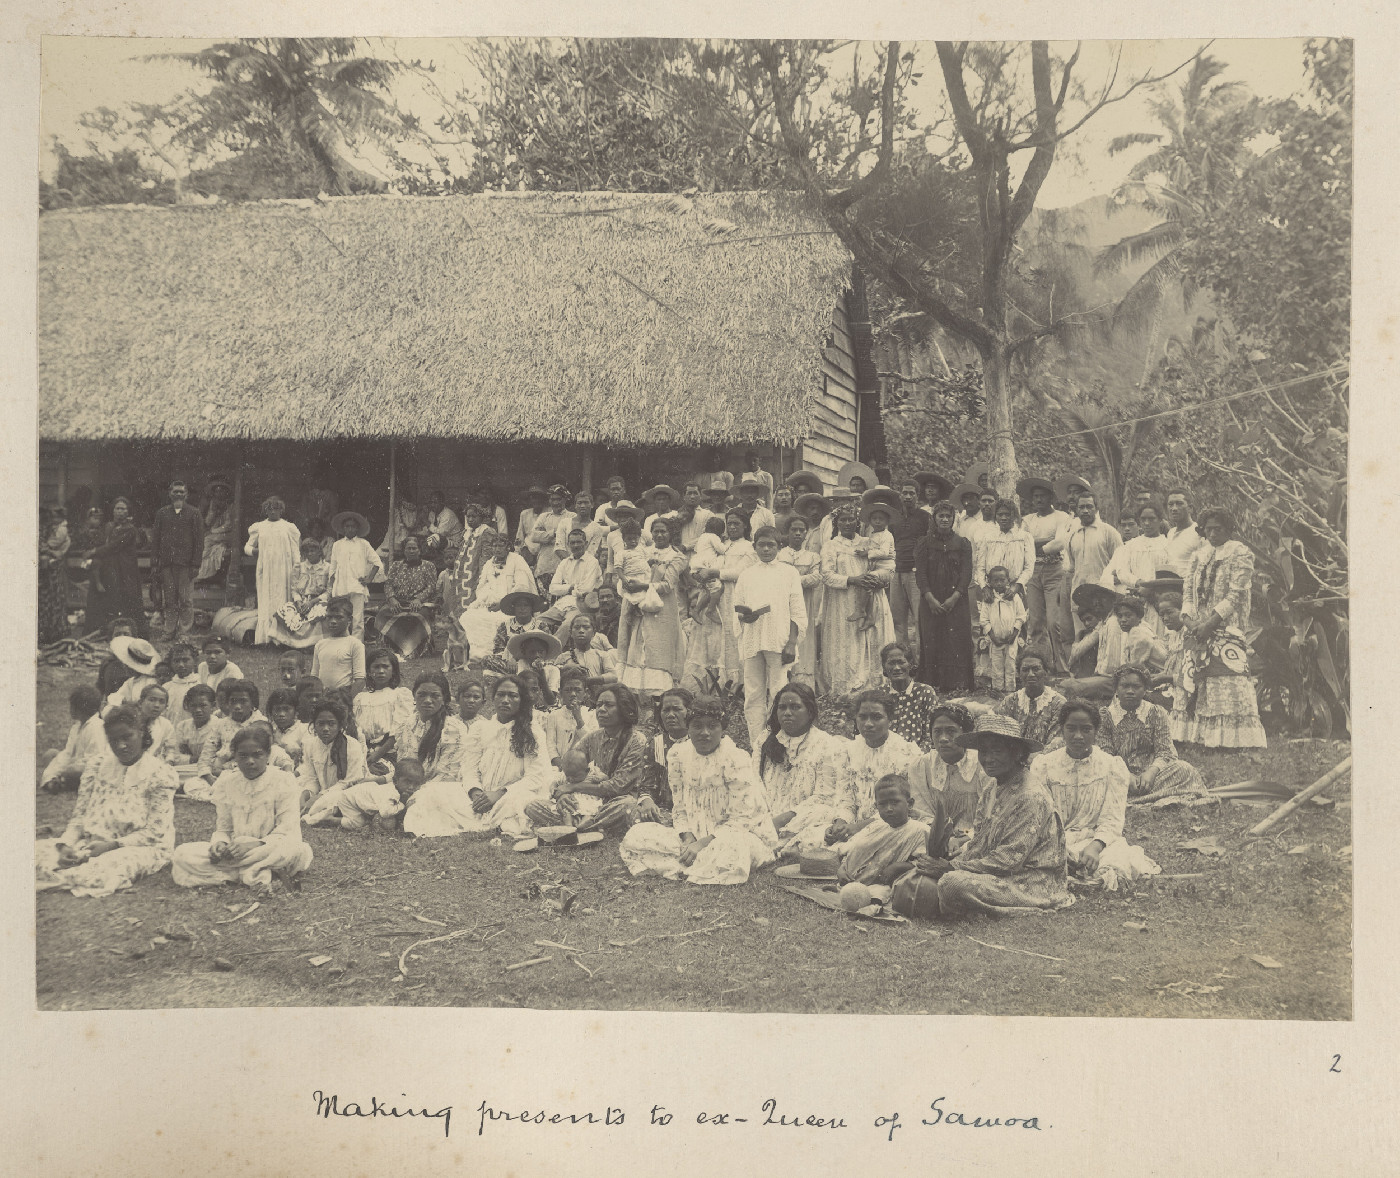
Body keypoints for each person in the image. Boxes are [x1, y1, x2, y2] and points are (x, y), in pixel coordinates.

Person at [896, 713, 1070, 918]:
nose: (988, 759)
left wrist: (951, 868)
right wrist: (951, 861)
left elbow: (1007, 860)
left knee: (952, 884)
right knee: (924, 873)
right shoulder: (992, 787)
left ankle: (970, 909)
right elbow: (978, 841)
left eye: (997, 751)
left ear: (1017, 754)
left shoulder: (1030, 796)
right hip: (998, 875)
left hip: (1031, 882)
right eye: (983, 752)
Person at [618, 695, 778, 885]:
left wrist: (702, 844)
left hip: (737, 835)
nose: (704, 732)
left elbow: (741, 819)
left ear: (722, 728)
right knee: (638, 834)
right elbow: (680, 808)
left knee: (733, 848)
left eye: (712, 726)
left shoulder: (736, 758)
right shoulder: (678, 755)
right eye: (697, 726)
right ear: (688, 727)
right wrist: (687, 838)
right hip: (695, 835)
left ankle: (690, 863)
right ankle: (697, 861)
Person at [36, 705, 178, 897]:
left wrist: (112, 845)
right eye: (113, 740)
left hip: (139, 846)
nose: (121, 746)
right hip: (90, 842)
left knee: (104, 872)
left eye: (127, 737)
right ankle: (64, 866)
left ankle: (61, 873)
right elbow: (79, 818)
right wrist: (65, 845)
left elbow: (154, 833)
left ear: (142, 733)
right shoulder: (97, 766)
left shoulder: (160, 774)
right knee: (33, 853)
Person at [1029, 700, 1160, 888]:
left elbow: (1112, 819)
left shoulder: (1111, 766)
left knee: (1115, 861)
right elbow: (1040, 816)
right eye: (1071, 729)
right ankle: (1070, 874)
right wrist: (1058, 845)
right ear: (1062, 729)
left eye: (1086, 730)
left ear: (1096, 731)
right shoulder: (1044, 766)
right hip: (1053, 839)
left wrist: (1095, 847)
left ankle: (1078, 877)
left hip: (1096, 840)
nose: (1078, 736)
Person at [171, 725, 313, 893]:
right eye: (243, 756)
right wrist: (219, 844)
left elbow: (287, 831)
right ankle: (256, 872)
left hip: (270, 847)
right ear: (234, 757)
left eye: (257, 755)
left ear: (268, 755)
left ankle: (239, 872)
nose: (250, 761)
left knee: (297, 851)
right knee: (182, 854)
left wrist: (252, 845)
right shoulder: (227, 783)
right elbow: (224, 829)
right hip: (236, 852)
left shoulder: (284, 781)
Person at [1172, 508, 1268, 749]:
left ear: (1228, 529)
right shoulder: (1198, 555)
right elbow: (1188, 592)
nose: (1213, 533)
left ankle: (1229, 739)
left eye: (1218, 529)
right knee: (1195, 679)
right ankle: (1197, 735)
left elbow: (1236, 593)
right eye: (1208, 529)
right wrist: (1189, 620)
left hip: (1226, 627)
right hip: (1196, 628)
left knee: (1224, 679)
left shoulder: (1240, 553)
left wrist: (1210, 624)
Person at [411, 675, 552, 838]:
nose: (505, 700)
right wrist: (475, 792)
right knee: (432, 791)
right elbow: (469, 768)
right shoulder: (481, 728)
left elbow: (535, 777)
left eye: (513, 695)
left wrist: (498, 794)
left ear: (522, 700)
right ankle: (492, 820)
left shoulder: (533, 732)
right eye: (501, 694)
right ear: (493, 698)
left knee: (523, 804)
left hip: (511, 794)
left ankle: (513, 818)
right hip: (480, 796)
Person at [526, 684, 652, 835]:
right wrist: (563, 794)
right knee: (532, 806)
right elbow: (568, 767)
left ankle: (575, 826)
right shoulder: (592, 737)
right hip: (583, 800)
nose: (601, 709)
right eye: (599, 705)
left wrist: (573, 787)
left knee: (627, 805)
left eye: (609, 705)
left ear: (624, 709)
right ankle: (584, 826)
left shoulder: (637, 740)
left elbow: (617, 787)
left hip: (613, 802)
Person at [755, 680, 852, 855]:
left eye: (795, 707)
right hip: (766, 814)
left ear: (809, 712)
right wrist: (765, 818)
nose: (787, 713)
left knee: (819, 825)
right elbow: (754, 784)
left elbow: (824, 797)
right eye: (782, 707)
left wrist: (782, 820)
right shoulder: (764, 741)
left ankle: (779, 842)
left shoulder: (827, 745)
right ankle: (775, 842)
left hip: (803, 817)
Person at [733, 525, 806, 750]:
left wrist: (792, 643)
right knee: (753, 692)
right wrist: (746, 617)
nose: (766, 549)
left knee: (779, 690)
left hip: (779, 640)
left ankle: (780, 738)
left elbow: (797, 609)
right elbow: (737, 609)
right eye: (761, 545)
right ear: (754, 547)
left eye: (770, 545)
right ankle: (758, 742)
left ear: (779, 547)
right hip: (753, 639)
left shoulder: (789, 573)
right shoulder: (746, 575)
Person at [825, 690, 919, 842]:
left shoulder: (906, 754)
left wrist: (858, 828)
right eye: (862, 717)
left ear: (891, 720)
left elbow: (902, 808)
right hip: (854, 825)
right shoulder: (848, 751)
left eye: (876, 717)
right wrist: (841, 823)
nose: (868, 724)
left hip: (891, 825)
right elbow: (846, 796)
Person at [1100, 663, 1206, 798]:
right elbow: (1105, 754)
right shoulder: (1105, 716)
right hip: (1118, 774)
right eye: (1125, 686)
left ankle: (1139, 794)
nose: (1130, 691)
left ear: (1145, 690)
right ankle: (1148, 795)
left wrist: (1151, 773)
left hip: (1152, 776)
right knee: (1097, 774)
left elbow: (1165, 751)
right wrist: (1125, 775)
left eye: (1136, 687)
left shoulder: (1156, 713)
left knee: (1185, 769)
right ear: (1116, 689)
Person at [819, 503, 892, 696]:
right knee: (847, 640)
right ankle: (847, 687)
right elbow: (826, 575)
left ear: (857, 521)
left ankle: (874, 684)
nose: (847, 523)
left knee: (871, 636)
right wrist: (852, 580)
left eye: (851, 519)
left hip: (872, 596)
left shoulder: (869, 542)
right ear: (836, 522)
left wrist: (877, 579)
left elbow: (888, 567)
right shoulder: (831, 545)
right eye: (843, 519)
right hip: (843, 601)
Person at [391, 672, 476, 836]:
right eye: (422, 695)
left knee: (425, 799)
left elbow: (448, 774)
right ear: (414, 696)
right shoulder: (406, 725)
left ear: (444, 699)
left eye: (435, 696)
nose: (428, 700)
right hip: (409, 784)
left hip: (440, 786)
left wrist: (415, 790)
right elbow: (403, 765)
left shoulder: (453, 729)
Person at [618, 518, 688, 703]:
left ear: (671, 534)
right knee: (638, 651)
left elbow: (667, 585)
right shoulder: (643, 552)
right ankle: (639, 707)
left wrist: (641, 586)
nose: (659, 535)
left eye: (663, 531)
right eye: (655, 531)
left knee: (658, 652)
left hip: (662, 611)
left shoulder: (677, 557)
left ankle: (660, 707)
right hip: (640, 608)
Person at [913, 501, 975, 693]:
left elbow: (966, 574)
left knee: (955, 638)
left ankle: (956, 683)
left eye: (948, 516)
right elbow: (920, 574)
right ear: (934, 518)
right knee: (932, 637)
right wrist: (930, 598)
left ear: (953, 519)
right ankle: (932, 682)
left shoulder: (963, 543)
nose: (945, 519)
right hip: (931, 600)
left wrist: (954, 598)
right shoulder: (924, 543)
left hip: (956, 600)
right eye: (941, 516)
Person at [835, 774, 931, 890]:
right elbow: (851, 850)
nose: (889, 809)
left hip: (888, 886)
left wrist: (899, 867)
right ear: (876, 806)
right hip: (852, 883)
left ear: (909, 804)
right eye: (883, 804)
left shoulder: (920, 831)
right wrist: (842, 869)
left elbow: (926, 864)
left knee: (881, 893)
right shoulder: (876, 826)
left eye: (895, 802)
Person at [1019, 477, 1073, 674]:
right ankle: (1038, 664)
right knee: (1034, 622)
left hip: (1055, 571)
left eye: (1043, 496)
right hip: (1033, 572)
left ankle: (1062, 666)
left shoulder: (1062, 517)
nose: (1039, 500)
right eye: (1036, 497)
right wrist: (1041, 545)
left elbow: (1059, 543)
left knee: (1054, 621)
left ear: (1051, 497)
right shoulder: (1028, 520)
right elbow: (1021, 544)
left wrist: (1034, 545)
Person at [906, 702, 989, 832]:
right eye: (937, 732)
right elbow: (921, 812)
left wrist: (964, 838)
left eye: (951, 731)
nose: (943, 738)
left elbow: (987, 815)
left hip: (973, 836)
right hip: (931, 834)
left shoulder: (981, 765)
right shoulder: (920, 767)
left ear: (965, 734)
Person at [460, 531, 536, 655]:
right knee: (468, 617)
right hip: (490, 604)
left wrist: (502, 604)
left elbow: (522, 586)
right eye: (494, 546)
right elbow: (481, 587)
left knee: (500, 620)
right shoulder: (489, 564)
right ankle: (474, 653)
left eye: (501, 546)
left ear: (508, 547)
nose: (497, 549)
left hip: (512, 606)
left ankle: (494, 652)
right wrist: (486, 600)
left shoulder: (517, 560)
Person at [306, 756, 424, 832]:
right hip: (350, 799)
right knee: (358, 823)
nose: (411, 787)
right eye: (407, 782)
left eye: (416, 784)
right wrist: (402, 805)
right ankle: (329, 819)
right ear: (396, 780)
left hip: (356, 797)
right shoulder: (391, 793)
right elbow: (385, 812)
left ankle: (334, 812)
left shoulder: (396, 791)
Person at [150, 480, 204, 642]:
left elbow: (199, 540)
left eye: (181, 492)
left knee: (185, 599)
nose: (178, 494)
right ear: (170, 494)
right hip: (167, 564)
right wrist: (155, 562)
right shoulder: (162, 513)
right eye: (175, 492)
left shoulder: (194, 513)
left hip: (186, 564)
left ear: (186, 494)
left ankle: (184, 631)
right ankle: (169, 630)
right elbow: (156, 539)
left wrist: (196, 564)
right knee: (170, 598)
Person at [85, 498, 146, 639]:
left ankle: (132, 631)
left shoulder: (130, 529)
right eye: (117, 508)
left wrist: (94, 551)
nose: (120, 512)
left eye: (123, 509)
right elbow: (103, 542)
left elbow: (114, 546)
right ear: (113, 511)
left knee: (128, 597)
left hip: (126, 569)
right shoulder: (109, 526)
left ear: (128, 511)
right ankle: (109, 630)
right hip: (110, 568)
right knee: (110, 598)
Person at [1062, 491, 1123, 632]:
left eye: (1089, 506)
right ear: (1076, 510)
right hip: (1078, 597)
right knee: (1082, 638)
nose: (1085, 510)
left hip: (1102, 598)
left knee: (1104, 636)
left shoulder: (1109, 532)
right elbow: (1072, 568)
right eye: (1081, 507)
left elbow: (1122, 566)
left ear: (1096, 508)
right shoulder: (1071, 536)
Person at [244, 496, 301, 646]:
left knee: (283, 599)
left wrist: (297, 568)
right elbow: (247, 547)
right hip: (266, 569)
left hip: (284, 570)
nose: (273, 512)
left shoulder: (289, 527)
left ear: (281, 510)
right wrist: (255, 551)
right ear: (265, 511)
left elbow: (296, 551)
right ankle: (266, 638)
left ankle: (282, 639)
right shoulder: (259, 527)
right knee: (266, 600)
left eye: (276, 509)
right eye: (270, 509)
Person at [297, 699, 370, 811]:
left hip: (345, 791)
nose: (326, 729)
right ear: (314, 725)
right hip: (322, 793)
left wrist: (320, 797)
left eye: (331, 724)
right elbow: (311, 778)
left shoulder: (352, 745)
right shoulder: (310, 745)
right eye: (321, 724)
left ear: (340, 725)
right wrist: (305, 796)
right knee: (295, 793)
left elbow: (349, 782)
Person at [886, 481, 931, 663]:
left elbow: (930, 544)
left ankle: (922, 663)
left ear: (918, 496)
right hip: (896, 572)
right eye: (905, 493)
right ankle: (903, 661)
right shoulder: (893, 518)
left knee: (920, 620)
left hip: (915, 573)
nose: (908, 497)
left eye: (912, 493)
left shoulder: (925, 517)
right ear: (900, 495)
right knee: (898, 620)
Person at [375, 535, 439, 660]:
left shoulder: (429, 566)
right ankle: (390, 647)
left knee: (420, 616)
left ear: (419, 550)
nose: (411, 551)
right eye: (408, 548)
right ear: (404, 550)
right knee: (382, 614)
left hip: (418, 604)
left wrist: (419, 599)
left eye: (414, 548)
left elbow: (431, 587)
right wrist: (392, 599)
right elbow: (388, 584)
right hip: (398, 602)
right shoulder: (396, 566)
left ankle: (417, 649)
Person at [779, 517, 823, 687]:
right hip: (782, 602)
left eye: (801, 530)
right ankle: (783, 680)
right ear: (787, 532)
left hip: (804, 603)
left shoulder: (812, 556)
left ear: (806, 534)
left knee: (804, 635)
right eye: (793, 530)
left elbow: (816, 578)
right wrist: (799, 579)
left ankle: (803, 682)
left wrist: (792, 579)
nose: (797, 533)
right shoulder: (780, 554)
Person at [352, 647, 414, 765]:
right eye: (376, 667)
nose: (381, 671)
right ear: (369, 672)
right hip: (363, 751)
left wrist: (377, 754)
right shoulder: (360, 698)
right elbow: (355, 728)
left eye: (385, 666)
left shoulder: (399, 695)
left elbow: (399, 730)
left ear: (394, 671)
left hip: (389, 751)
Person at [994, 647, 1067, 747]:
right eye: (1025, 670)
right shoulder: (1010, 701)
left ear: (1046, 672)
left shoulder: (1058, 703)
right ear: (1019, 674)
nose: (1031, 674)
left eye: (1036, 669)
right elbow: (1001, 735)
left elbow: (1056, 742)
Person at [327, 511, 382, 640]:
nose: (350, 529)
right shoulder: (337, 545)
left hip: (357, 586)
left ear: (357, 528)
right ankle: (342, 642)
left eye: (353, 526)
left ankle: (357, 644)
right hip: (341, 586)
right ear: (343, 528)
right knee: (341, 615)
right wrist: (330, 587)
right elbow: (333, 568)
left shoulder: (363, 544)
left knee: (357, 618)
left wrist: (368, 579)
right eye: (347, 526)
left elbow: (377, 562)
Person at [41, 685, 106, 792]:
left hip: (90, 768)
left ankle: (62, 783)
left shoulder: (96, 727)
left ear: (81, 709)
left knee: (73, 771)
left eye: (72, 707)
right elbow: (68, 753)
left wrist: (68, 768)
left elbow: (95, 759)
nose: (70, 710)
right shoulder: (77, 726)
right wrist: (51, 774)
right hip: (75, 762)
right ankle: (58, 781)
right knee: (50, 754)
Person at [271, 535, 333, 648]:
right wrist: (299, 602)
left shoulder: (327, 567)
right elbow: (294, 589)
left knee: (319, 614)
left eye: (313, 550)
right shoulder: (299, 567)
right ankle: (289, 643)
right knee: (285, 611)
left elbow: (329, 591)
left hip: (318, 600)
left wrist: (312, 602)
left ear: (319, 552)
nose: (310, 554)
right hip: (302, 600)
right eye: (307, 551)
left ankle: (313, 644)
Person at [442, 502, 499, 618]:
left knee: (472, 604)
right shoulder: (467, 533)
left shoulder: (486, 532)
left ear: (481, 517)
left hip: (475, 574)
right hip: (462, 575)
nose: (470, 519)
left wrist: (481, 579)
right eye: (468, 516)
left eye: (474, 516)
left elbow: (486, 558)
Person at [848, 498, 896, 634]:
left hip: (886, 569)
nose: (877, 521)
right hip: (878, 568)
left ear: (887, 521)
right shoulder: (873, 534)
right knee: (868, 587)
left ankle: (861, 610)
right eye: (874, 518)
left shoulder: (887, 535)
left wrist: (867, 553)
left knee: (868, 579)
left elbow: (884, 552)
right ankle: (870, 616)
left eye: (881, 519)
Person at [974, 498, 1035, 603]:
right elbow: (980, 567)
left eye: (1007, 514)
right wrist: (984, 587)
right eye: (1000, 514)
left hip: (1015, 590)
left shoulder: (1024, 537)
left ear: (1014, 515)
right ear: (995, 516)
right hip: (992, 592)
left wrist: (1017, 586)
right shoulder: (988, 538)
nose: (1003, 518)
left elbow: (1029, 567)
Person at [880, 641, 938, 750]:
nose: (896, 668)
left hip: (916, 755)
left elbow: (930, 734)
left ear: (910, 664)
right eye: (891, 663)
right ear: (884, 667)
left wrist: (915, 758)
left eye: (901, 662)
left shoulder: (925, 692)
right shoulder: (880, 694)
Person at [979, 565, 1027, 695]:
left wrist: (1015, 634)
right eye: (995, 580)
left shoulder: (1014, 598)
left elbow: (1021, 616)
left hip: (1011, 639)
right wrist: (993, 637)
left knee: (1010, 664)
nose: (999, 583)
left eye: (1002, 580)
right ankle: (998, 690)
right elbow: (983, 619)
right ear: (989, 582)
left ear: (1008, 580)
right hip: (995, 640)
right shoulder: (988, 600)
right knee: (996, 665)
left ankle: (1010, 691)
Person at [545, 527, 604, 631]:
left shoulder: (592, 562)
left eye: (579, 542)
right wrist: (571, 587)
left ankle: (555, 647)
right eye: (572, 543)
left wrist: (564, 589)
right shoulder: (564, 562)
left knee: (568, 625)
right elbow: (552, 588)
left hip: (582, 606)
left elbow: (586, 589)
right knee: (538, 622)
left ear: (585, 544)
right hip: (563, 604)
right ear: (568, 545)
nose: (576, 545)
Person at [1101, 503, 1169, 593]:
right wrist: (1139, 583)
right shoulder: (1130, 546)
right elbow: (1122, 571)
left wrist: (1152, 588)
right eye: (1143, 519)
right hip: (1136, 594)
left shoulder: (1167, 544)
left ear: (1160, 520)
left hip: (1160, 595)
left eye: (1151, 519)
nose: (1147, 523)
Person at [541, 664, 598, 762]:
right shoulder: (553, 716)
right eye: (568, 690)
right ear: (560, 693)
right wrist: (559, 763)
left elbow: (592, 743)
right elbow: (550, 745)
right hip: (558, 766)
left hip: (584, 766)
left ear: (585, 693)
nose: (573, 694)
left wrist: (579, 719)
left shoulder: (592, 714)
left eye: (578, 690)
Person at [553, 612, 620, 696]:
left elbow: (613, 677)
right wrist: (566, 668)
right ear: (570, 633)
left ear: (594, 633)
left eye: (586, 627)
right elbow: (553, 677)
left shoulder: (601, 655)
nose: (581, 631)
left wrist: (588, 680)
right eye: (577, 627)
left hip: (596, 699)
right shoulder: (563, 657)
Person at [310, 598, 367, 694]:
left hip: (344, 698)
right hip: (323, 697)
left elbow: (360, 680)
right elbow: (314, 677)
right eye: (329, 617)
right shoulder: (320, 645)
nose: (333, 621)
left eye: (339, 617)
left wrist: (346, 700)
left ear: (349, 620)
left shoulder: (355, 644)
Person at [38, 506, 72, 645]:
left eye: (54, 517)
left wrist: (48, 551)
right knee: (46, 598)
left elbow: (52, 545)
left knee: (54, 597)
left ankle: (54, 630)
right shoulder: (48, 529)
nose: (52, 520)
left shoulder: (59, 530)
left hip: (53, 568)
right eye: (50, 517)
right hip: (45, 568)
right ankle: (46, 630)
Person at [196, 479, 235, 584]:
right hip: (217, 533)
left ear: (225, 492)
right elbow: (209, 520)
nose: (218, 493)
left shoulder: (230, 506)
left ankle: (205, 573)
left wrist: (213, 531)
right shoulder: (213, 504)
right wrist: (210, 517)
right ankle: (204, 574)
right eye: (216, 491)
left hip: (228, 534)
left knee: (208, 539)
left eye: (221, 490)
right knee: (205, 540)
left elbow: (228, 525)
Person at [1163, 489, 1208, 578]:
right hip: (1170, 587)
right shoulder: (1171, 533)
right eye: (1170, 504)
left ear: (1190, 508)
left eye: (1179, 503)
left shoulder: (1199, 533)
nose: (1174, 508)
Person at [265, 688, 310, 769]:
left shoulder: (304, 730)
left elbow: (307, 761)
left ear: (296, 711)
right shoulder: (269, 730)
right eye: (277, 709)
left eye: (286, 709)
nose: (281, 714)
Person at [420, 490, 463, 566]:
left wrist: (425, 521)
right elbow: (429, 530)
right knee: (423, 537)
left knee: (435, 537)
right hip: (441, 542)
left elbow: (440, 533)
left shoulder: (448, 514)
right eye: (431, 502)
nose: (433, 505)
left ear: (442, 503)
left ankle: (432, 557)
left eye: (435, 502)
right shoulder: (432, 513)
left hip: (454, 543)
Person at [162, 642, 200, 719]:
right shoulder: (166, 687)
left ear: (195, 661)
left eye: (185, 660)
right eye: (176, 661)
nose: (181, 665)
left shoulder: (200, 684)